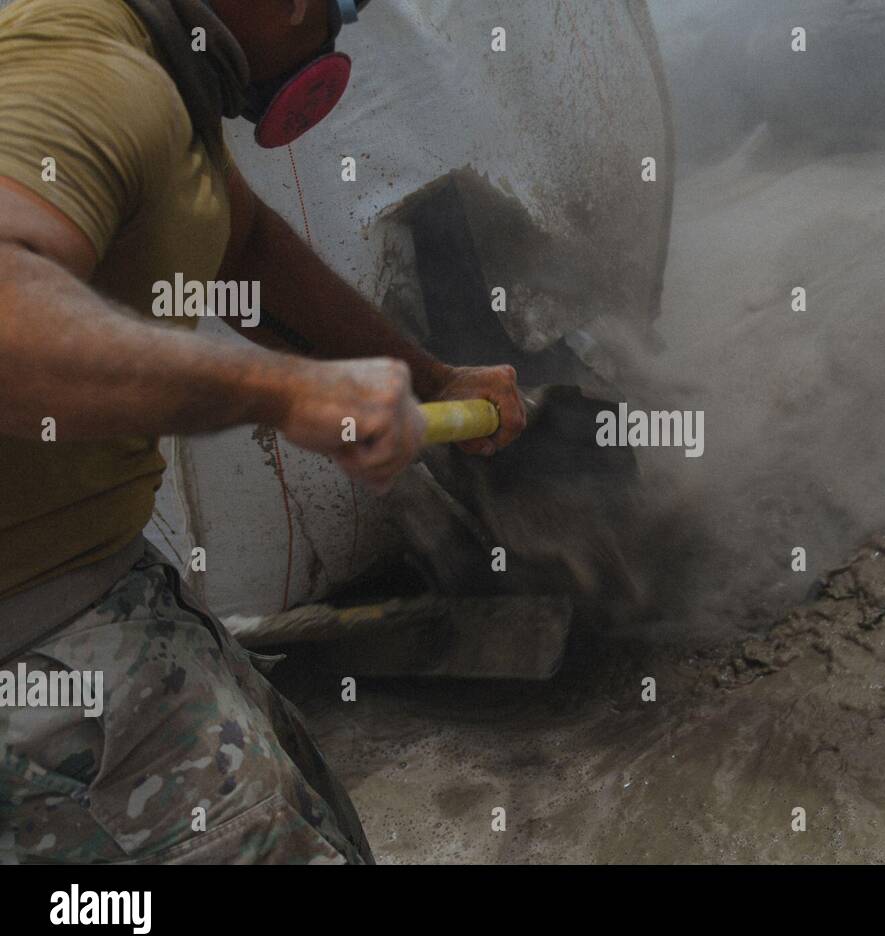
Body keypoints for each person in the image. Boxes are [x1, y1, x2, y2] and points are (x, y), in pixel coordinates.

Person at [0, 0, 527, 863]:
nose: (333, 33)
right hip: (40, 663)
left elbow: (243, 248)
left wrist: (432, 381)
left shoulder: (164, 76)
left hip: (107, 591)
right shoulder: (96, 71)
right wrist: (284, 392)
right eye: (336, 9)